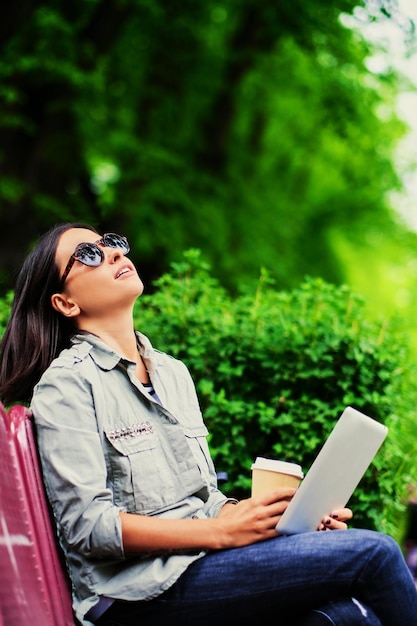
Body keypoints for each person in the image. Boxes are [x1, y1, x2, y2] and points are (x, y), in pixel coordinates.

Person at [0, 222, 416, 626]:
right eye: (88, 255)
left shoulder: (172, 373)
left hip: (200, 565)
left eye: (110, 242)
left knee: (344, 616)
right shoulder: (67, 384)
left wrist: (264, 516)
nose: (112, 252)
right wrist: (219, 532)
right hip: (134, 596)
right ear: (66, 303)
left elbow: (203, 499)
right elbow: (89, 527)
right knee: (374, 554)